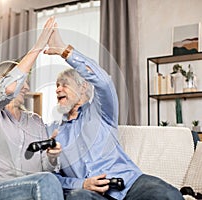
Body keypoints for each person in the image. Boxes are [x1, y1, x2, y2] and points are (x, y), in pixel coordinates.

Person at [44, 22, 184, 200]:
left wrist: (64, 51)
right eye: (56, 86)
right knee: (77, 197)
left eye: (64, 85)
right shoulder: (53, 131)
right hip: (90, 193)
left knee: (168, 195)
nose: (58, 90)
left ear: (83, 87)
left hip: (130, 184)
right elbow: (51, 177)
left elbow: (104, 82)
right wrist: (81, 184)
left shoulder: (101, 111)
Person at [0, 16, 64, 200]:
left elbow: (46, 169)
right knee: (46, 182)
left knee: (49, 179)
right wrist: (39, 45)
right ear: (1, 81)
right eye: (22, 82)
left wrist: (52, 157)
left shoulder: (35, 121)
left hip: (27, 189)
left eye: (27, 83)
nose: (26, 87)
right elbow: (9, 89)